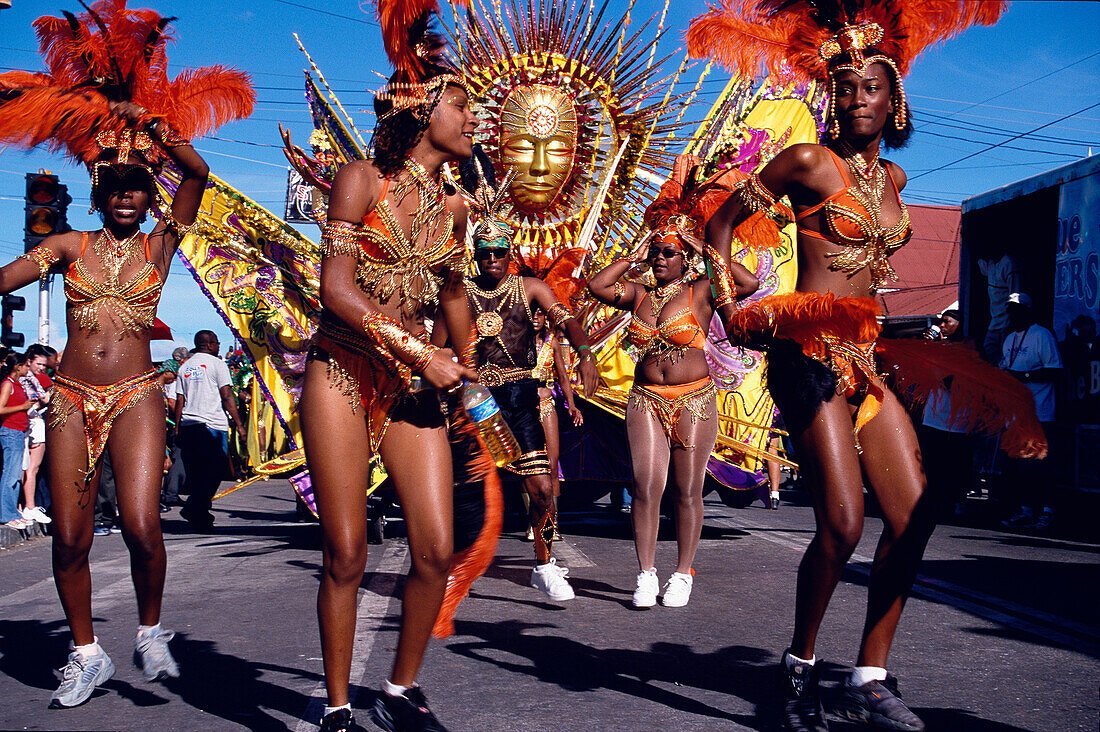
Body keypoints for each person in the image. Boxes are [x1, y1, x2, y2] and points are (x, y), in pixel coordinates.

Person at [689, 2, 1007, 729]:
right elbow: (720, 221)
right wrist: (728, 280)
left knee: (914, 513)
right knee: (841, 521)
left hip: (866, 361)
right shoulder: (809, 163)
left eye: (871, 87)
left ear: (896, 100)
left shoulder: (892, 181)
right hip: (805, 354)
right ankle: (799, 668)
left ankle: (870, 674)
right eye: (845, 87)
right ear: (831, 97)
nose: (857, 98)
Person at [0, 0, 252, 709]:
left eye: (139, 191)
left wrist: (158, 133)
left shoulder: (160, 246)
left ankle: (149, 630)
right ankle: (85, 654)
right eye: (118, 191)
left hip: (139, 393)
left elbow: (196, 176)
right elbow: (9, 276)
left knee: (142, 523)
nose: (128, 201)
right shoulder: (67, 248)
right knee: (72, 538)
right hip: (71, 401)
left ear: (148, 197)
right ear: (102, 194)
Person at [297, 4, 491, 730]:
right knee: (346, 550)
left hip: (414, 389)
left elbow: (450, 297)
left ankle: (401, 690)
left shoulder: (456, 210)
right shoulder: (361, 181)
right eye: (461, 106)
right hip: (343, 371)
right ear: (422, 111)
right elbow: (335, 290)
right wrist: (420, 352)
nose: (472, 120)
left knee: (437, 548)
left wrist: (467, 368)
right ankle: (339, 706)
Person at [589, 158, 758, 609]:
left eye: (668, 253)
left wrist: (701, 243)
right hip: (646, 397)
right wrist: (639, 247)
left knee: (687, 490)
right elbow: (596, 286)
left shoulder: (702, 291)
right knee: (646, 486)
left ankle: (682, 572)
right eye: (656, 253)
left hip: (695, 398)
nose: (659, 259)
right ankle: (646, 573)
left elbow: (749, 281)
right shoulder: (639, 295)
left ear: (684, 257)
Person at [455, 221, 599, 602]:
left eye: (498, 252)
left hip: (520, 399)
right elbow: (439, 343)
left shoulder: (530, 288)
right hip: (478, 401)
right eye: (483, 253)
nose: (491, 260)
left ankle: (545, 564)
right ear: (475, 253)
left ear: (510, 251)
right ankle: (460, 567)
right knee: (471, 494)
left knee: (542, 490)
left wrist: (585, 353)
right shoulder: (461, 292)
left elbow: (565, 319)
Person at [999, 293, 1061, 531]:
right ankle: (1026, 510)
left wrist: (1022, 376)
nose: (1012, 315)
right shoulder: (1009, 339)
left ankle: (1046, 511)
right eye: (1009, 310)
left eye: (1016, 310)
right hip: (1016, 415)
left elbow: (1055, 371)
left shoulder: (1041, 335)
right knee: (1020, 466)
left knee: (1039, 465)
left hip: (1039, 412)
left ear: (1027, 311)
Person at [174, 331, 246, 529]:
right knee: (216, 469)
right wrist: (239, 425)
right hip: (212, 425)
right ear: (210, 344)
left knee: (197, 473)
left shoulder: (185, 366)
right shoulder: (217, 364)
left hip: (189, 425)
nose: (219, 346)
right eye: (217, 342)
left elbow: (180, 400)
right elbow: (227, 396)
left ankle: (200, 515)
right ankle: (194, 507)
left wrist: (179, 427)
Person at [528, 307, 583, 541]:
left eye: (540, 313)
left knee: (551, 464)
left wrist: (572, 405)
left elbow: (562, 376)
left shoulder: (551, 343)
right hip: (523, 407)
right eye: (531, 313)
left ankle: (552, 523)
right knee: (528, 465)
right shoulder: (515, 341)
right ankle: (533, 524)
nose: (535, 318)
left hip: (547, 404)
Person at [20, 344, 53, 525]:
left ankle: (26, 506)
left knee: (29, 468)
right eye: (39, 364)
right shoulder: (30, 379)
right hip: (30, 422)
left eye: (44, 365)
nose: (41, 368)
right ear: (29, 361)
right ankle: (29, 506)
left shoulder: (27, 378)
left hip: (30, 421)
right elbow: (46, 399)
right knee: (29, 468)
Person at [0, 353, 33, 531]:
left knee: (15, 476)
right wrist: (22, 407)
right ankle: (6, 514)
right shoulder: (8, 384)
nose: (27, 369)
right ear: (17, 367)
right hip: (10, 431)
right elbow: (0, 408)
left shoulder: (18, 385)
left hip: (19, 432)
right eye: (25, 366)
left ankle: (12, 511)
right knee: (10, 475)